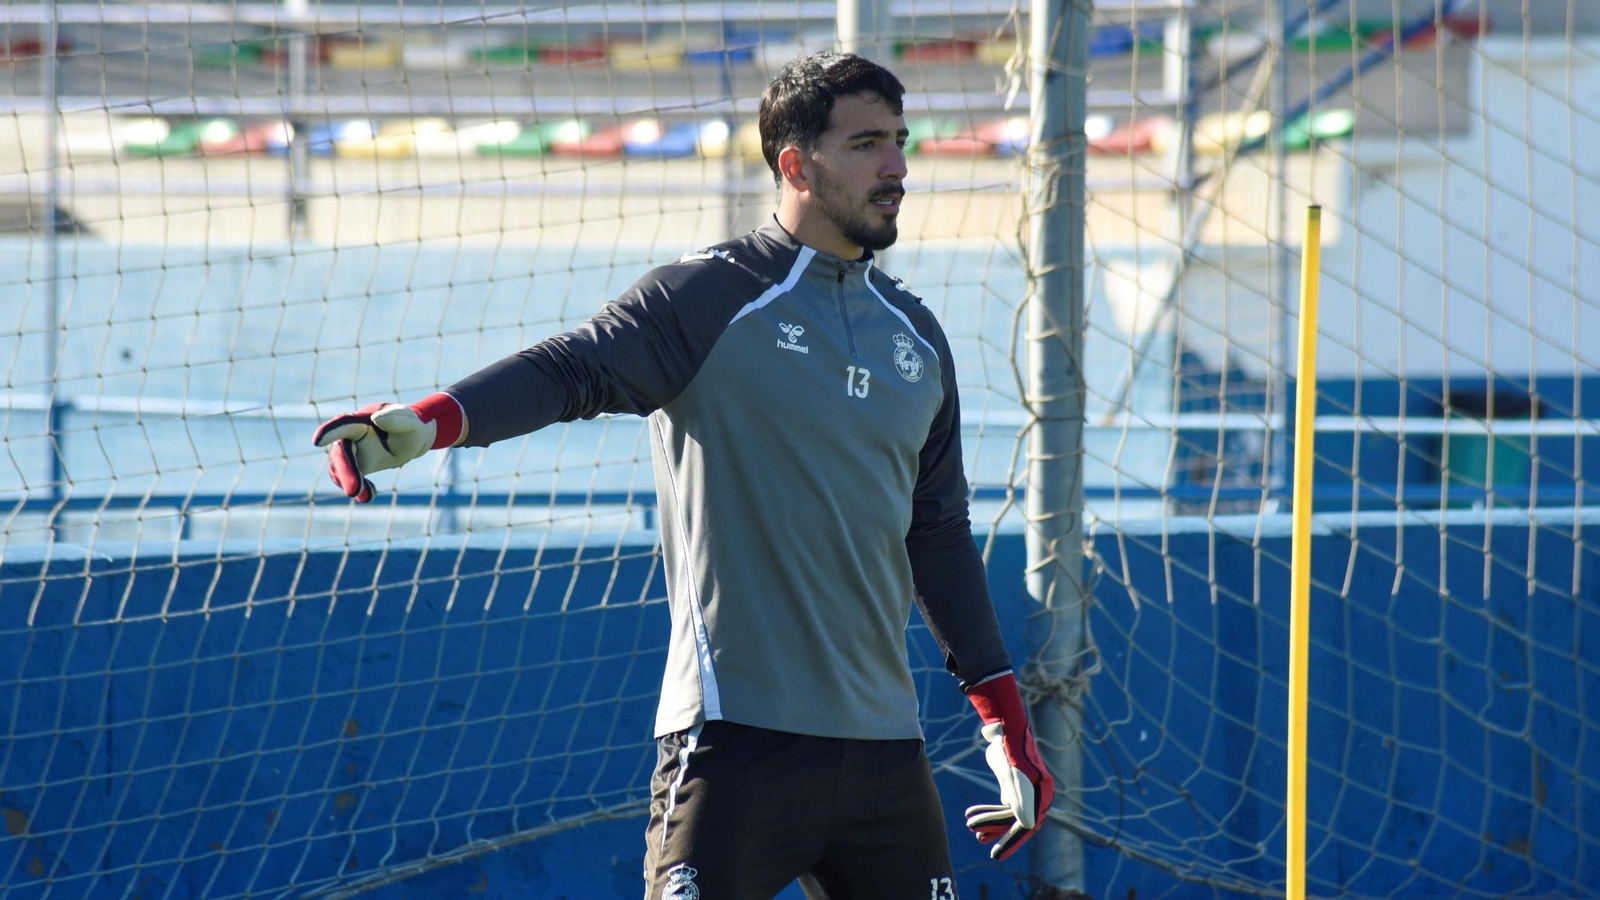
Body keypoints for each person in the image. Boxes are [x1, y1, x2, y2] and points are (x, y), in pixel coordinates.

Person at [313, 51, 1053, 900]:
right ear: (796, 165)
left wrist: (1004, 720)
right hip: (731, 744)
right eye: (867, 144)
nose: (897, 167)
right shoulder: (709, 298)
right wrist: (428, 423)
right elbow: (571, 368)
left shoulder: (917, 340)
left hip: (887, 753)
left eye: (900, 140)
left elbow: (937, 533)